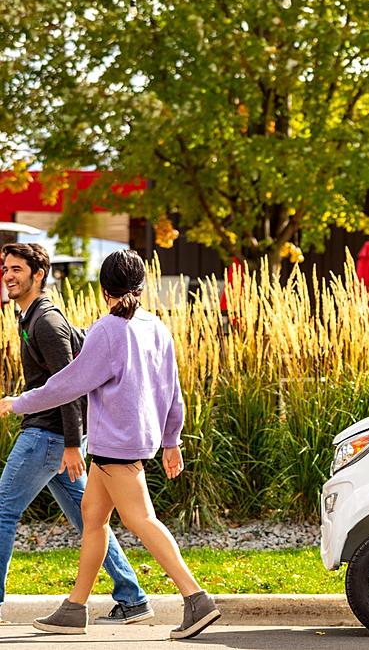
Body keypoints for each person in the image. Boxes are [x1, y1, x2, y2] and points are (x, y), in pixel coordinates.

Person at [0, 249, 220, 639]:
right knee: (94, 520)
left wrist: (18, 403)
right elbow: (174, 391)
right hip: (118, 445)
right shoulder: (155, 326)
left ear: (104, 290)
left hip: (117, 447)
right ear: (141, 285)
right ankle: (75, 607)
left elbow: (66, 384)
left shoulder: (107, 330)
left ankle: (197, 599)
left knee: (141, 520)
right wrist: (172, 440)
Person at [0, 243, 151, 626]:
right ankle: (132, 597)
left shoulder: (46, 322)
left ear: (38, 276)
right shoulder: (29, 317)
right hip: (53, 438)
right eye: (5, 269)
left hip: (46, 436)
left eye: (17, 269)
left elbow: (71, 385)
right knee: (91, 521)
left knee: (2, 510)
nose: (8, 276)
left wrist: (71, 443)